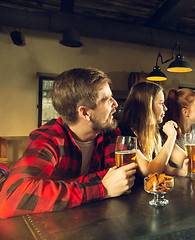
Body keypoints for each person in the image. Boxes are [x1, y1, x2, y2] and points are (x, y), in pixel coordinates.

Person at [0, 68, 137, 219]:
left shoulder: (109, 132)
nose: (115, 104)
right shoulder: (50, 138)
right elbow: (12, 197)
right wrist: (101, 188)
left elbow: (121, 177)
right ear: (85, 113)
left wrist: (59, 187)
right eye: (106, 99)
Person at [118, 81, 187, 177]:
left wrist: (183, 171)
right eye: (161, 103)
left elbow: (176, 162)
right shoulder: (125, 133)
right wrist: (171, 137)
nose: (165, 108)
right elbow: (149, 172)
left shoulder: (157, 133)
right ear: (147, 106)